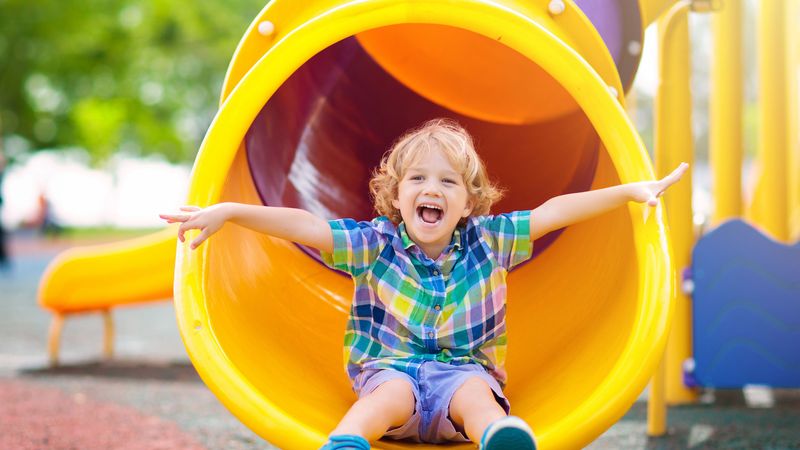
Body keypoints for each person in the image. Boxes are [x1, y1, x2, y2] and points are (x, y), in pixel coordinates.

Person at [160, 118, 688, 450]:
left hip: (462, 374)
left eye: (447, 181)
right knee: (386, 393)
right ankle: (348, 441)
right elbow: (306, 226)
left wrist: (628, 191)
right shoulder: (374, 242)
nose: (430, 189)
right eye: (417, 179)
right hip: (391, 373)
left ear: (469, 201)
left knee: (477, 394)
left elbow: (555, 212)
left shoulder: (490, 239)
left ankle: (500, 439)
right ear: (396, 195)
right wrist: (228, 211)